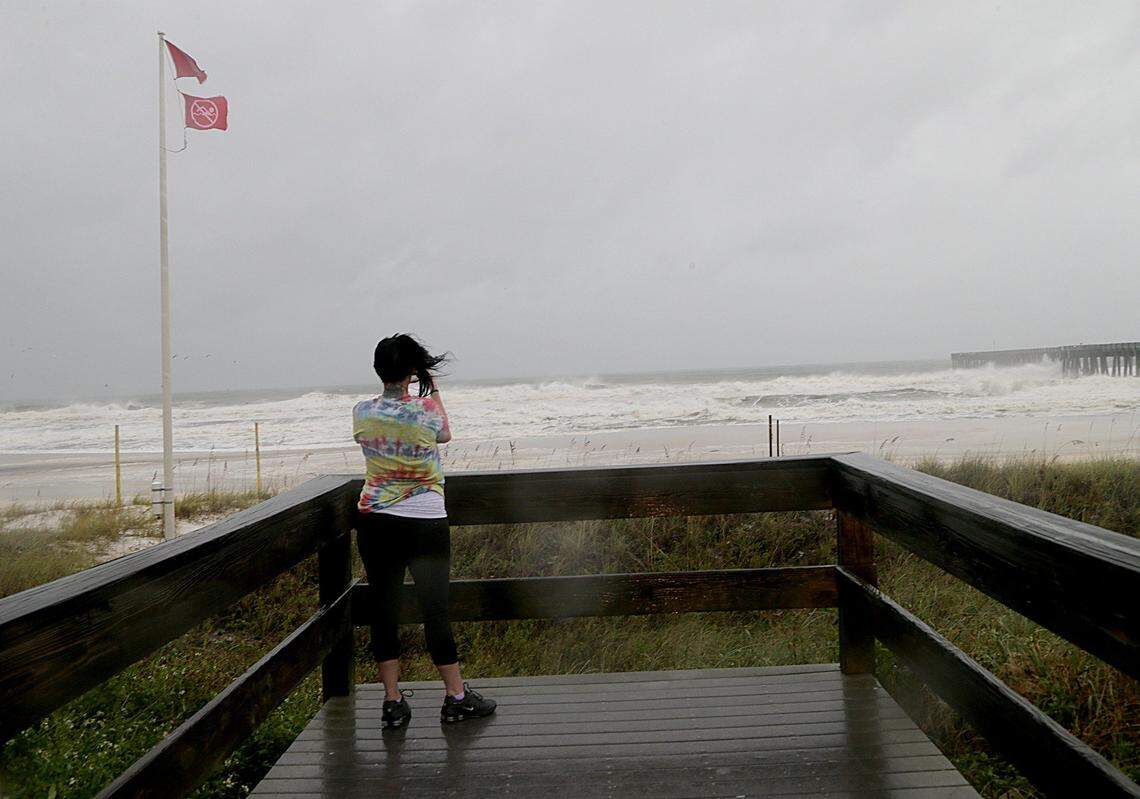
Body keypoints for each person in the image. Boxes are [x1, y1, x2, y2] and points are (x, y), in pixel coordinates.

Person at [352, 334, 496, 728]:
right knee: (435, 609)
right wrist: (432, 389)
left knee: (384, 608)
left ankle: (393, 702)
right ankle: (456, 696)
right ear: (412, 371)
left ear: (379, 370)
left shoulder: (361, 411)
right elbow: (445, 434)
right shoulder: (427, 410)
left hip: (375, 519)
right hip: (425, 520)